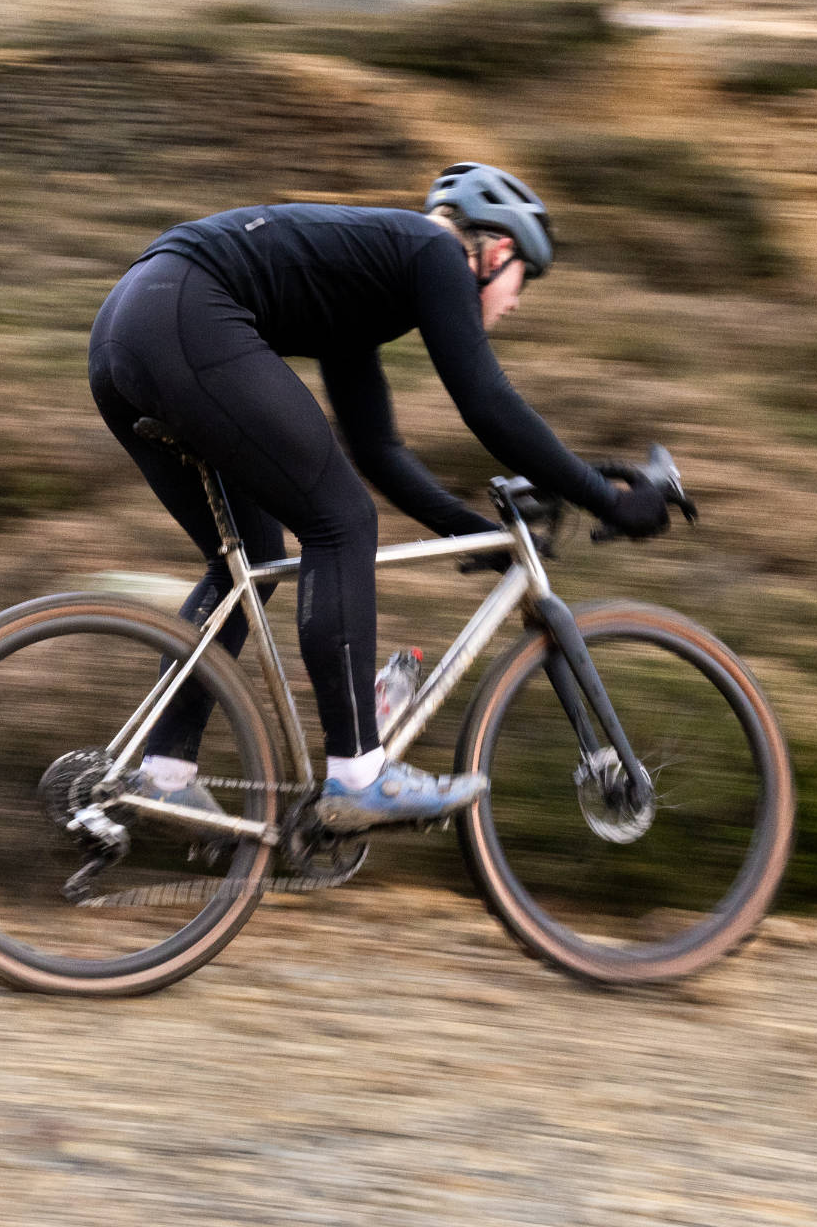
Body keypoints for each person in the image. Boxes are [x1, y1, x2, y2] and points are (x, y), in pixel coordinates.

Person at [87, 164, 671, 834]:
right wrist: (610, 500)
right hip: (185, 315)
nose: (516, 302)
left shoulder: (367, 285)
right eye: (524, 281)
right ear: (497, 250)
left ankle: (164, 776)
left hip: (124, 329)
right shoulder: (436, 253)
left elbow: (379, 452)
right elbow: (488, 404)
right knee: (341, 522)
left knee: (247, 560)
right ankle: (359, 775)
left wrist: (468, 532)